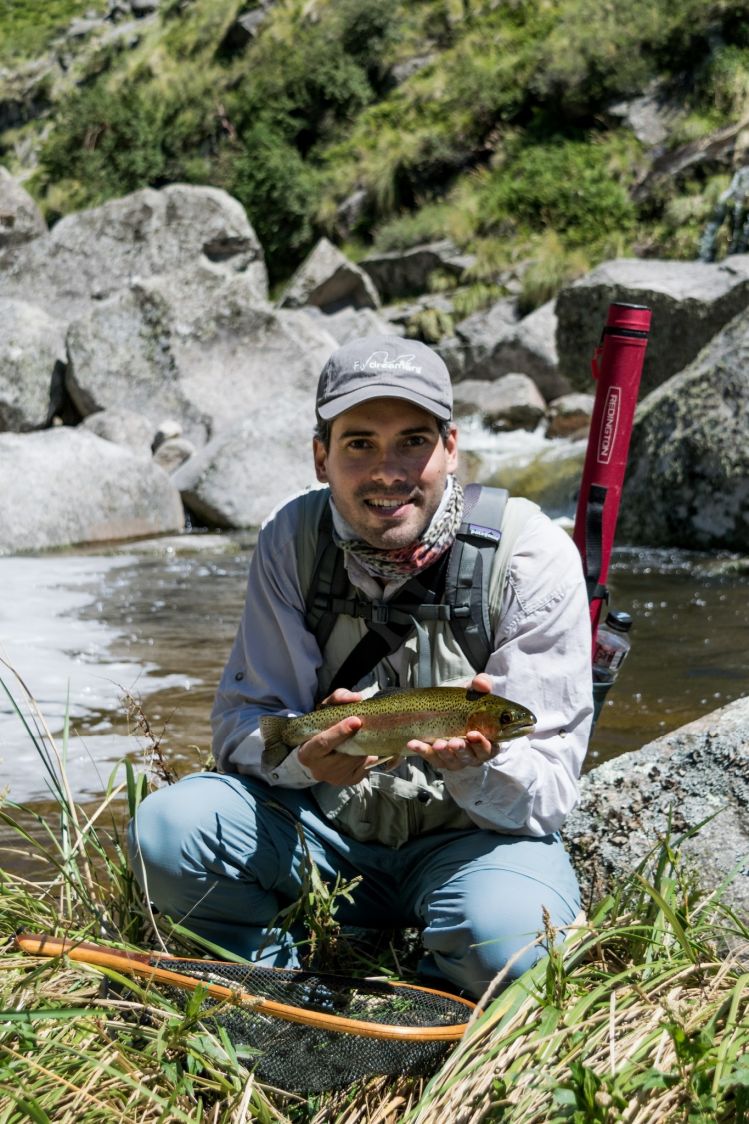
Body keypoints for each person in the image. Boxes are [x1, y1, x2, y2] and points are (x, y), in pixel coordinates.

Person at [129, 334, 593, 1000]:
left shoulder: (531, 555)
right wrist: (303, 759)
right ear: (321, 456)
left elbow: (548, 790)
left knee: (514, 945)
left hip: (473, 846)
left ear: (452, 449)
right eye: (358, 445)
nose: (388, 471)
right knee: (169, 830)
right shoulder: (290, 541)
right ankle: (270, 987)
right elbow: (243, 726)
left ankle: (437, 996)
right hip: (322, 835)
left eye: (412, 441)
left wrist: (478, 764)